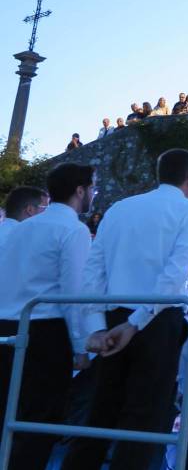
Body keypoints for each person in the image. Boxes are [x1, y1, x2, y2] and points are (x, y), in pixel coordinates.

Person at [64, 149, 188, 470]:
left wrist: (95, 329)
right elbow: (175, 273)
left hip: (111, 318)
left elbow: (93, 272)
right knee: (144, 423)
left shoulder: (119, 209)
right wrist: (135, 323)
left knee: (99, 415)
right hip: (156, 322)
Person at [0, 166, 92, 469]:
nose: (93, 194)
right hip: (45, 333)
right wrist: (80, 347)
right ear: (80, 190)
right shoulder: (74, 230)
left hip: (7, 324)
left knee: (7, 416)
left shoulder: (21, 227)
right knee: (39, 422)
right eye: (92, 187)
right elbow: (72, 294)